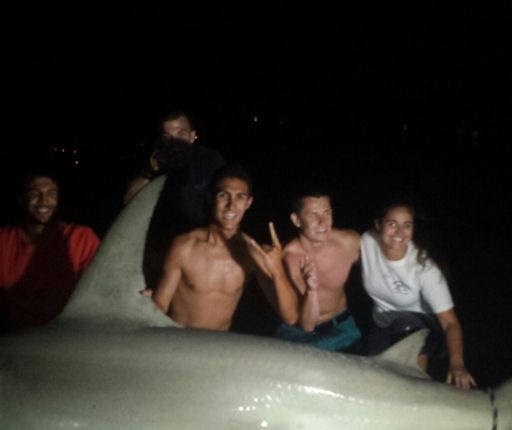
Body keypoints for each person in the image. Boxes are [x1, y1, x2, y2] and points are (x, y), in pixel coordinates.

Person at [0, 172, 100, 351]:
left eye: (51, 193)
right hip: (21, 338)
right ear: (21, 199)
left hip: (69, 335)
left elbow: (98, 293)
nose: (44, 200)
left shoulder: (81, 237)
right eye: (35, 193)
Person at [152, 165, 297, 331]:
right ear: (210, 198)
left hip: (218, 343)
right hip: (179, 339)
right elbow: (160, 304)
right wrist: (144, 307)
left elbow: (290, 317)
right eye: (223, 195)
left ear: (248, 203)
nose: (231, 205)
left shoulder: (251, 252)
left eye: (240, 197)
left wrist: (278, 271)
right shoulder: (184, 246)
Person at [360, 200, 477, 389]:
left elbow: (450, 322)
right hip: (382, 323)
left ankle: (418, 383)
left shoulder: (424, 268)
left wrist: (457, 364)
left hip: (421, 327)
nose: (399, 232)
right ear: (378, 225)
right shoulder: (367, 242)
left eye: (407, 225)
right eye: (392, 224)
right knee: (372, 378)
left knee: (406, 324)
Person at [126, 111, 226, 291]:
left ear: (193, 136)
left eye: (181, 134)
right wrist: (150, 170)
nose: (175, 141)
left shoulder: (209, 160)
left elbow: (225, 200)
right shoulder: (156, 159)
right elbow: (129, 200)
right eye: (168, 137)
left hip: (197, 249)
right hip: (159, 250)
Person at [276, 192, 362, 352]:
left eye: (326, 213)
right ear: (296, 220)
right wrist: (311, 289)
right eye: (313, 214)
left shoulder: (349, 242)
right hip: (298, 332)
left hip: (342, 327)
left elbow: (382, 263)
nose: (322, 222)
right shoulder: (288, 257)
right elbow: (307, 325)